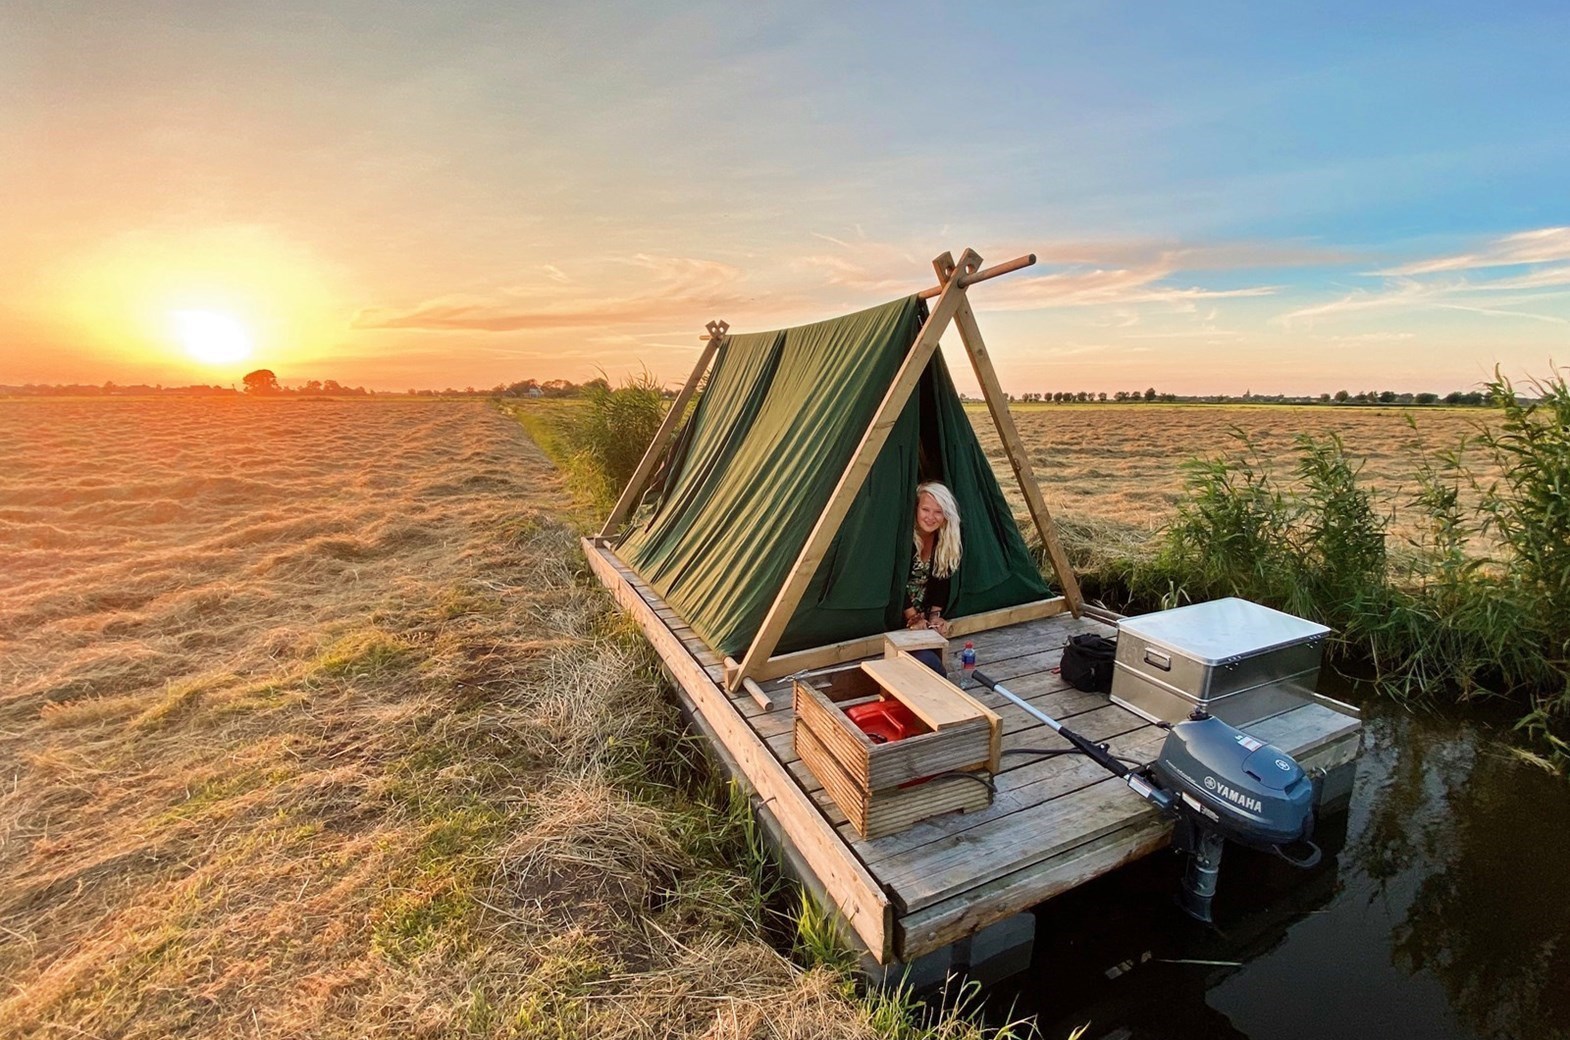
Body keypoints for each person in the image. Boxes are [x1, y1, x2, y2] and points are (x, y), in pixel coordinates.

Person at [901, 481, 961, 674]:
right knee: (932, 666)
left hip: (923, 617)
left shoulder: (944, 540)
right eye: (925, 509)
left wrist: (935, 616)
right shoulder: (904, 538)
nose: (931, 517)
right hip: (900, 613)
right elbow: (894, 583)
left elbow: (942, 578)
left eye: (938, 512)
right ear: (916, 509)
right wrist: (912, 617)